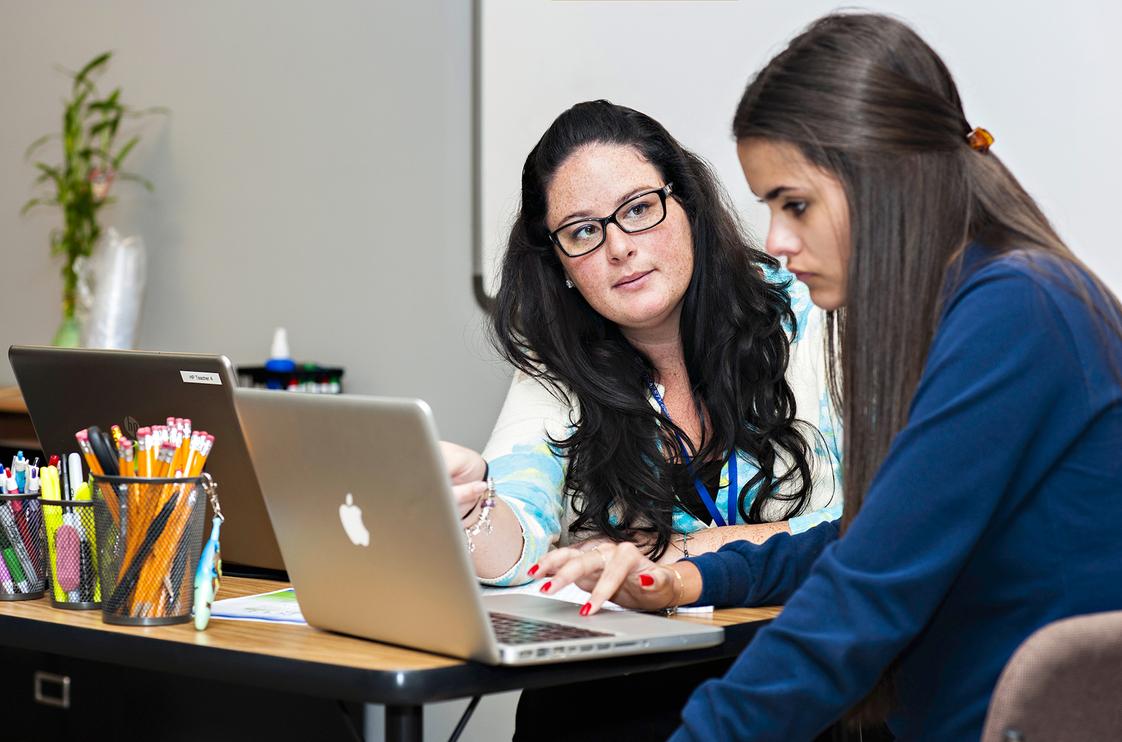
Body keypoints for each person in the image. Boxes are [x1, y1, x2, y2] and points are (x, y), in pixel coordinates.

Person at [532, 13, 1122, 741]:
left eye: (796, 204)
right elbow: (863, 539)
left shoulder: (1018, 311)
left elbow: (863, 593)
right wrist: (688, 581)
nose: (776, 242)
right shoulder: (978, 305)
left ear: (885, 177)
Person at [442, 100, 843, 739]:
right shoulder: (559, 358)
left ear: (686, 206)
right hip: (622, 685)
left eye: (638, 210)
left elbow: (864, 525)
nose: (620, 249)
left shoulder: (808, 313)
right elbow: (524, 545)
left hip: (796, 670)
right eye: (582, 231)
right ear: (561, 265)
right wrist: (472, 507)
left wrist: (667, 556)